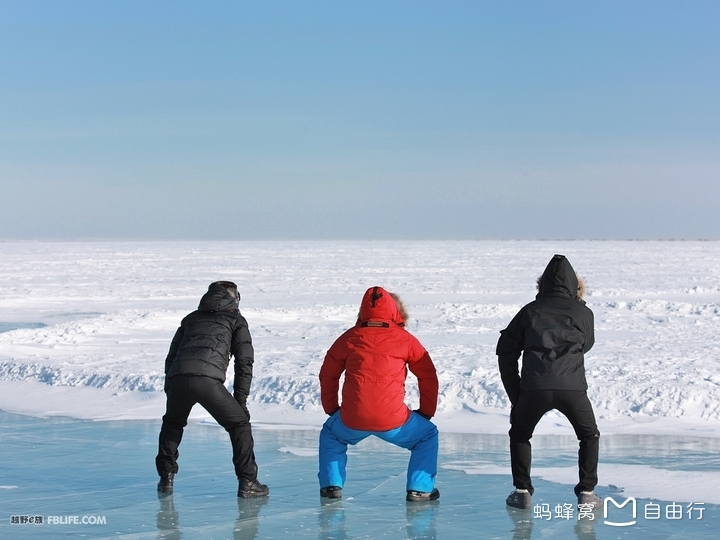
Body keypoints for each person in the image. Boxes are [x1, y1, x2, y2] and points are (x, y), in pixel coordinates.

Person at [496, 255, 602, 510]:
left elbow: (505, 350)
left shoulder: (530, 312)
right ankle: (586, 492)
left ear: (541, 285)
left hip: (534, 388)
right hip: (572, 388)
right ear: (574, 286)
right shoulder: (584, 313)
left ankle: (522, 491)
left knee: (520, 434)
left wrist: (516, 394)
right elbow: (587, 345)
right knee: (589, 435)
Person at [318, 286, 440, 502]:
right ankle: (419, 489)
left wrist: (332, 409)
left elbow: (328, 374)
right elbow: (427, 375)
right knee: (427, 435)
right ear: (395, 312)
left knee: (332, 434)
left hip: (351, 419)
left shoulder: (348, 338)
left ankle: (331, 486)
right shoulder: (405, 339)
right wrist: (426, 412)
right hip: (394, 420)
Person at [155, 281, 269, 498]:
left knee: (172, 423)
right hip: (207, 380)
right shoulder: (236, 320)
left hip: (178, 377)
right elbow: (244, 362)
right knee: (239, 424)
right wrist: (240, 401)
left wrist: (170, 386)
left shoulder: (191, 319)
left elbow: (172, 354)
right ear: (234, 299)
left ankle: (165, 479)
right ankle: (248, 482)